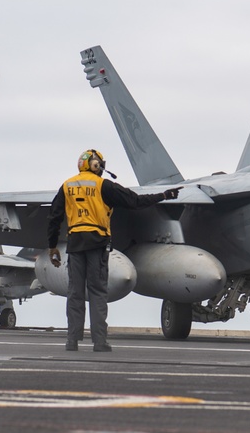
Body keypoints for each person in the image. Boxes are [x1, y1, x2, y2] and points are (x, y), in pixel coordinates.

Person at [48, 149, 180, 352]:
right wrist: (163, 195)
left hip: (74, 244)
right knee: (98, 292)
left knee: (74, 292)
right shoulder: (103, 185)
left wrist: (52, 246)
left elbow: (54, 217)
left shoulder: (67, 186)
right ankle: (99, 342)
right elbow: (134, 201)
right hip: (97, 243)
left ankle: (72, 341)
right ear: (95, 165)